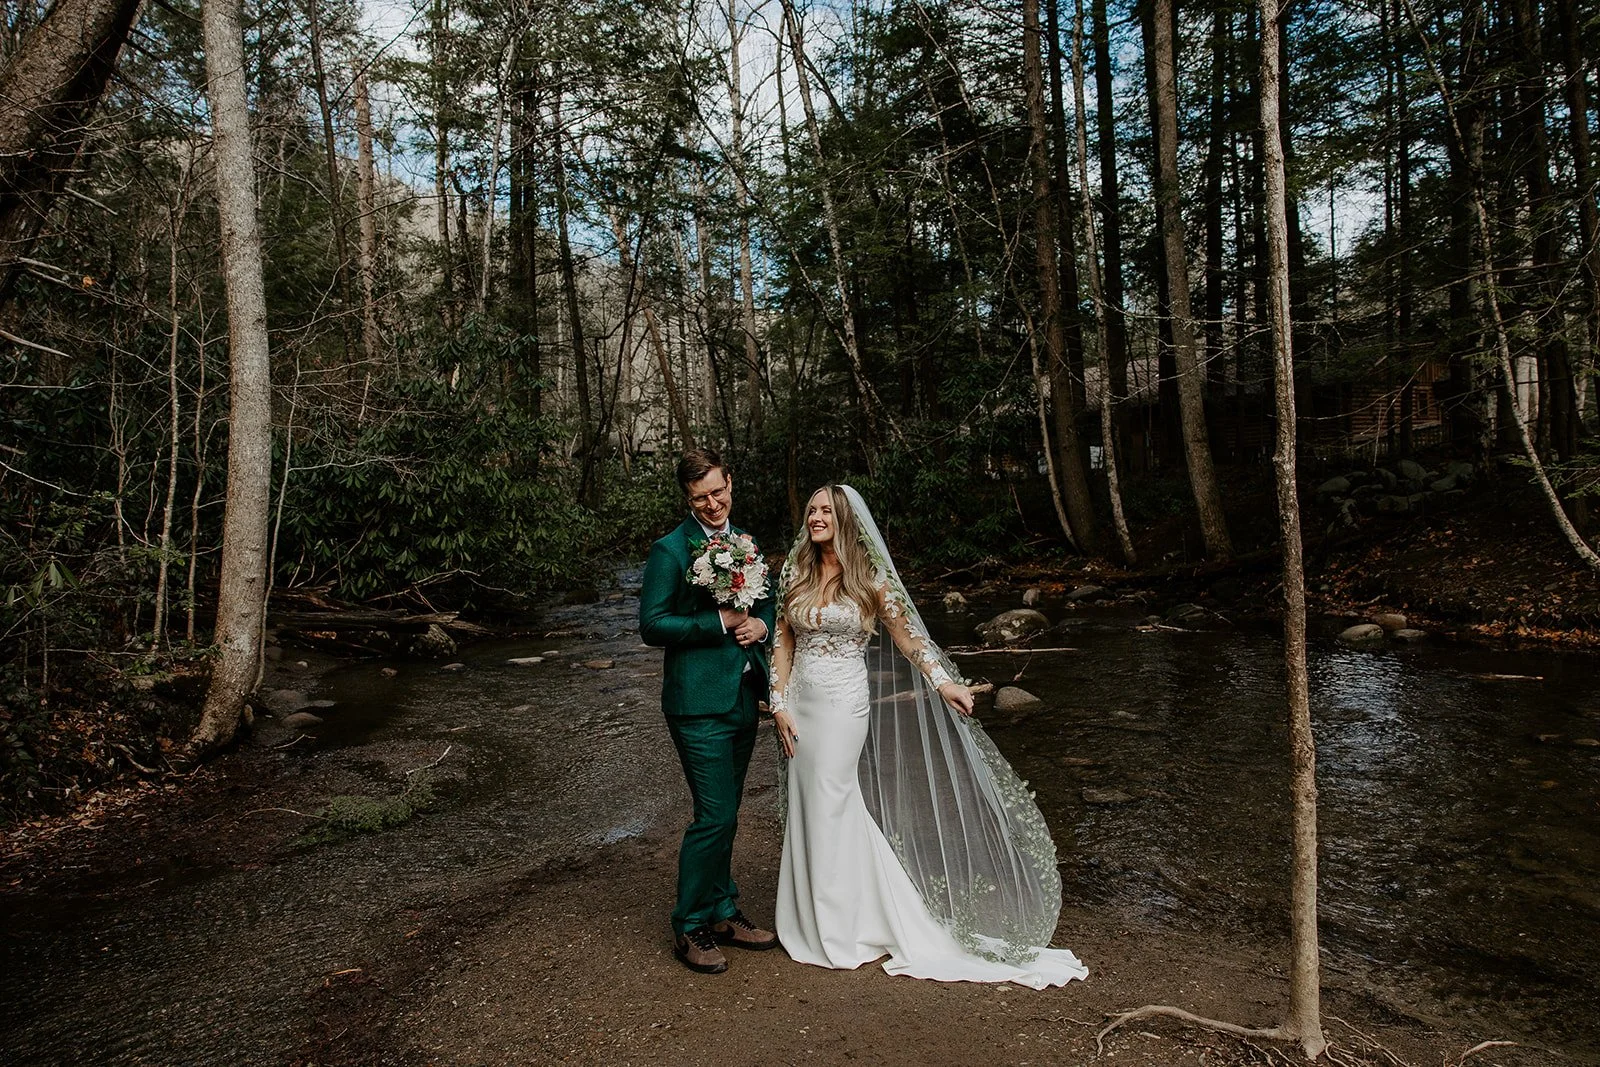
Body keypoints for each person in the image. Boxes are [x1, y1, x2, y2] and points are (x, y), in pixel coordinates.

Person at [768, 484, 1088, 988]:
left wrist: (945, 683)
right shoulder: (797, 572)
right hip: (801, 706)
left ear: (847, 520)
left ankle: (844, 927)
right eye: (811, 510)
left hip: (844, 705)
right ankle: (814, 918)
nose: (816, 517)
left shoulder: (869, 577)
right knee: (813, 802)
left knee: (833, 798)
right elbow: (782, 642)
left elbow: (911, 639)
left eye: (827, 510)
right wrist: (780, 705)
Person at [639, 448, 780, 974]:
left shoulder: (744, 542)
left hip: (742, 695)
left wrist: (760, 626)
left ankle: (722, 909)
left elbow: (765, 600)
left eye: (719, 492)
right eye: (702, 497)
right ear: (687, 498)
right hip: (696, 704)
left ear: (730, 484)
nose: (714, 503)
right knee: (714, 815)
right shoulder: (670, 551)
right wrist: (718, 622)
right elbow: (652, 625)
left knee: (727, 813)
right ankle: (690, 924)